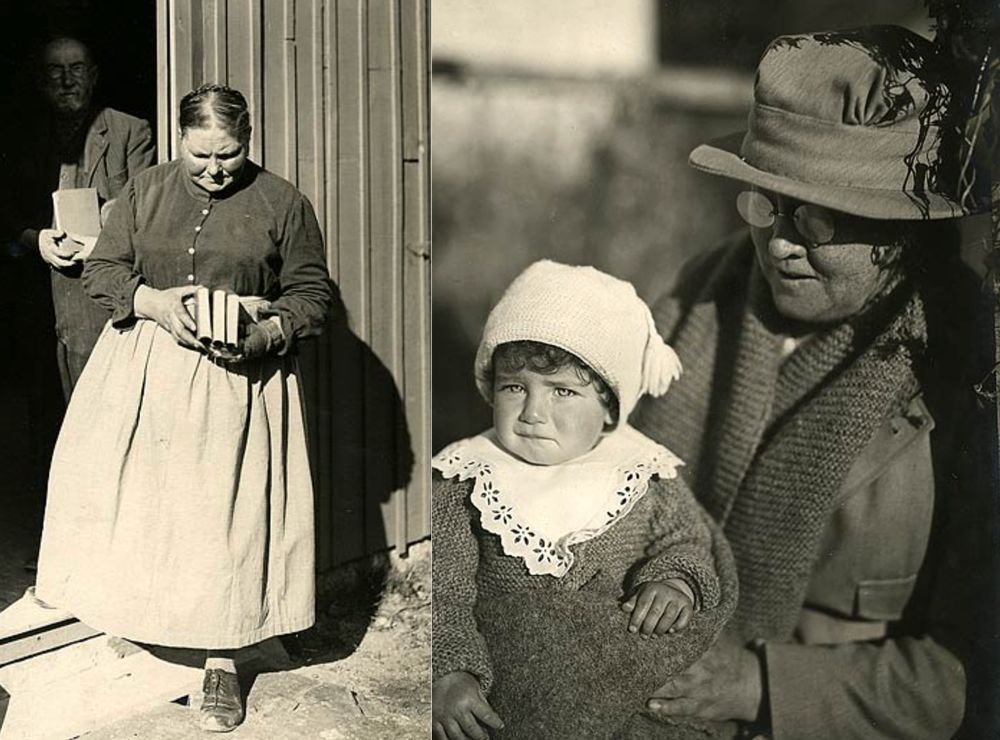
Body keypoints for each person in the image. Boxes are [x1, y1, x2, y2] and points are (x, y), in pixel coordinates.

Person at [628, 26, 998, 738]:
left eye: (819, 218)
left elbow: (969, 673)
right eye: (765, 204)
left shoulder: (965, 381)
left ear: (901, 234)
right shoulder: (698, 297)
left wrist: (757, 686)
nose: (782, 243)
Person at [33, 83, 335, 733]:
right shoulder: (145, 191)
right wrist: (156, 303)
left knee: (220, 519)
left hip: (238, 377)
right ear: (179, 141)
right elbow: (104, 271)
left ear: (248, 140)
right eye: (200, 157)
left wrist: (268, 334)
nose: (214, 170)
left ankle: (221, 660)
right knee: (146, 505)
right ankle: (148, 618)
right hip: (145, 366)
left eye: (227, 155)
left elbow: (311, 294)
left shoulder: (283, 202)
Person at [432, 260, 737, 739]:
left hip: (616, 679)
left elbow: (686, 540)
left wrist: (674, 582)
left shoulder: (642, 472)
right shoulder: (468, 476)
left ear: (609, 406)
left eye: (563, 392)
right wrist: (451, 672)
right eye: (514, 387)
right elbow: (444, 593)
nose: (533, 412)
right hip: (514, 688)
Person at [0, 34, 154, 521]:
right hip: (39, 296)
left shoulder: (130, 131)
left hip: (98, 298)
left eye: (77, 68)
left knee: (103, 414)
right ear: (40, 80)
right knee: (45, 414)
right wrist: (32, 238)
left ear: (94, 74)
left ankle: (106, 530)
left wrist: (107, 226)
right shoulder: (19, 135)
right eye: (55, 70)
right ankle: (57, 532)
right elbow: (3, 211)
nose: (67, 79)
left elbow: (143, 206)